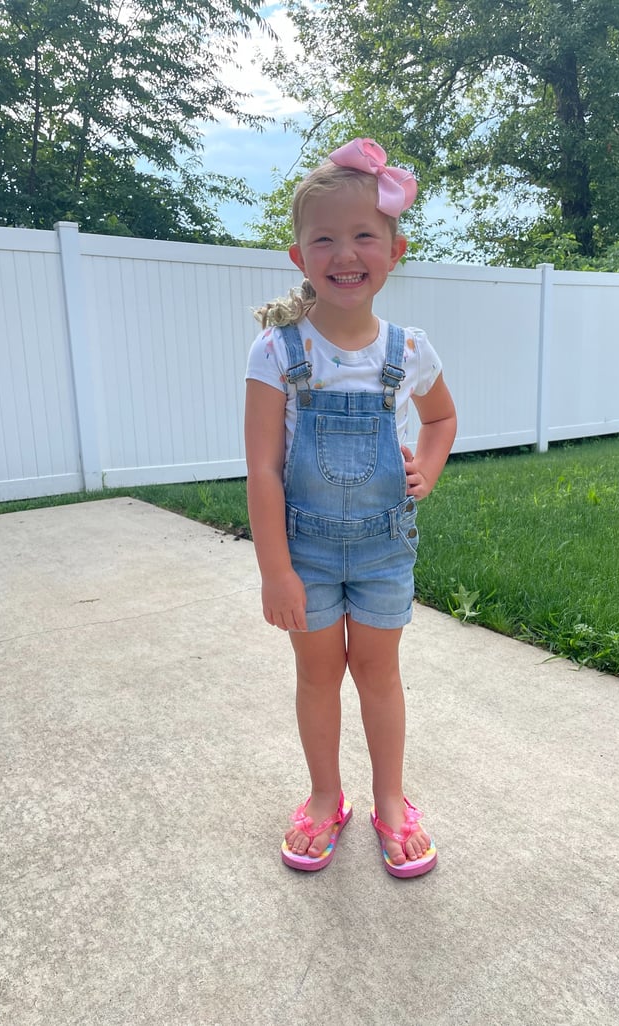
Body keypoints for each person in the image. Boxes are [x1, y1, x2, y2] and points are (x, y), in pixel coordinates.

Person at [244, 138, 457, 878]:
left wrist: (427, 470)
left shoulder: (409, 349)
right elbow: (263, 469)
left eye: (364, 235)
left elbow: (441, 419)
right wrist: (275, 571)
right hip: (303, 551)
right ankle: (325, 796)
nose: (345, 253)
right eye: (324, 239)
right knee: (316, 676)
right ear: (299, 257)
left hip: (383, 548)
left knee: (377, 672)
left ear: (395, 251)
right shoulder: (277, 351)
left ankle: (390, 800)